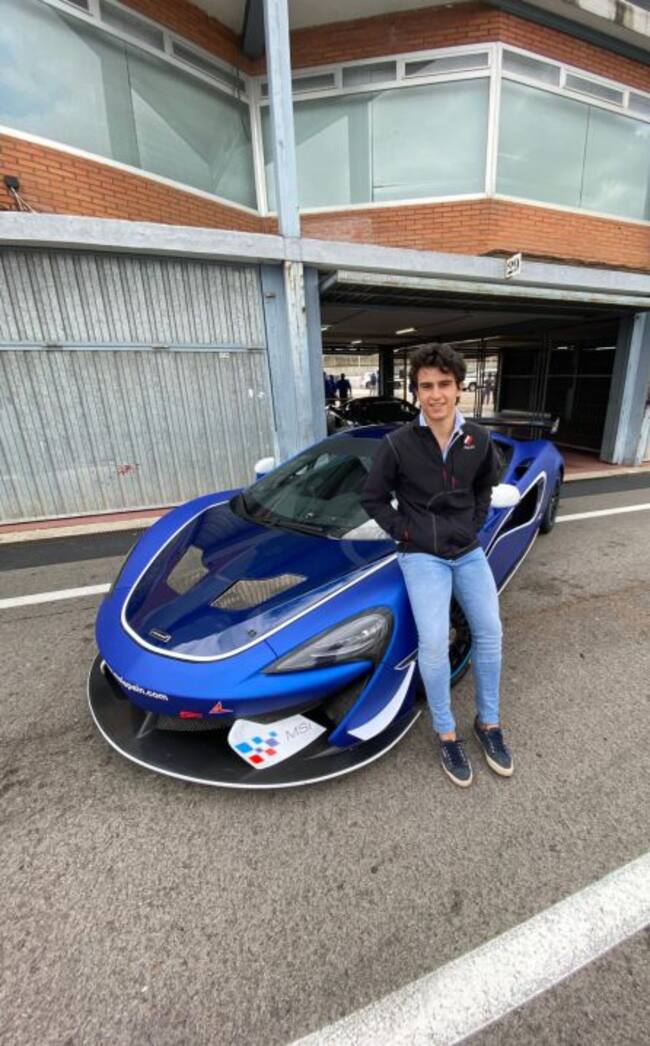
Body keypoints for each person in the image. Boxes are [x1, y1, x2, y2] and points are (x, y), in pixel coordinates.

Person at [360, 342, 513, 788]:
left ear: (459, 388)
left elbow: (486, 487)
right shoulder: (397, 444)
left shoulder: (477, 439)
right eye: (426, 386)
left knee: (490, 634)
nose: (435, 394)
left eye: (444, 384)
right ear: (416, 392)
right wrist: (405, 532)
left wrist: (473, 527)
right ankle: (446, 732)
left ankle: (489, 724)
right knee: (433, 644)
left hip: (467, 552)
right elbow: (371, 497)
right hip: (421, 556)